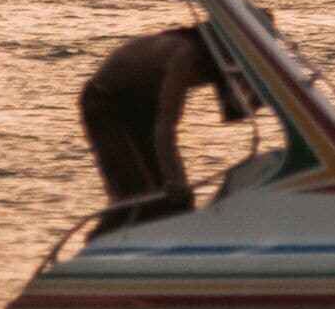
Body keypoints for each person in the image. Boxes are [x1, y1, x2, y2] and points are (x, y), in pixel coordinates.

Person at [78, 25, 249, 235]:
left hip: (141, 104)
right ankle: (97, 248)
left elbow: (240, 104)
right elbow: (166, 125)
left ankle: (176, 245)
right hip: (105, 103)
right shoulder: (186, 56)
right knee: (138, 194)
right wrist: (172, 179)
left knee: (177, 200)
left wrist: (177, 185)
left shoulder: (218, 61)